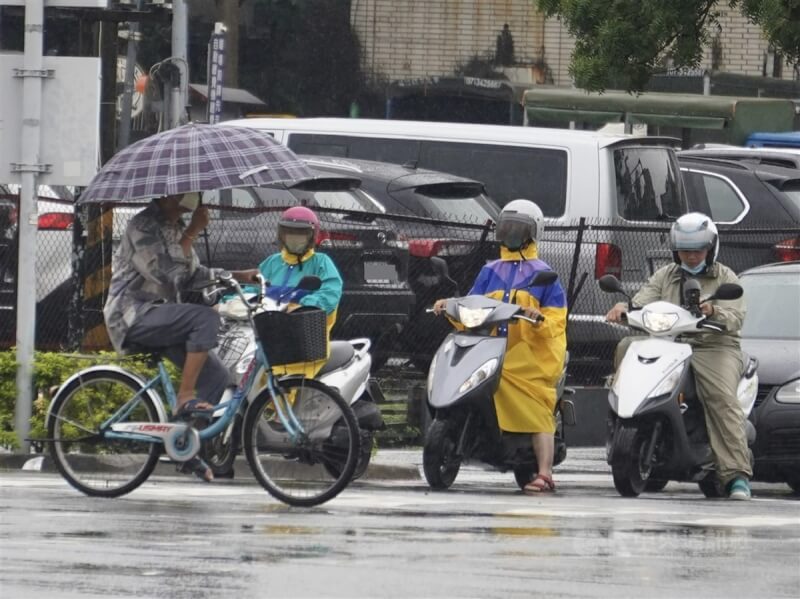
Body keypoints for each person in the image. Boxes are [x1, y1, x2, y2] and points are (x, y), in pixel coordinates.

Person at [104, 192, 255, 482]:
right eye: (188, 192)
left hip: (163, 316)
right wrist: (193, 231)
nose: (195, 197)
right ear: (169, 195)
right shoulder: (143, 225)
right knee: (205, 318)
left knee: (216, 375)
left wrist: (237, 276)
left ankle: (185, 448)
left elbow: (192, 274)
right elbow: (164, 273)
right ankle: (184, 397)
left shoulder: (174, 226)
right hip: (133, 315)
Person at [605, 212, 752, 500]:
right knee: (627, 346)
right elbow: (642, 300)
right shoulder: (665, 275)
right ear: (676, 250)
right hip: (669, 342)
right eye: (686, 250)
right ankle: (627, 416)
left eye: (698, 250)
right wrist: (624, 307)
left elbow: (735, 316)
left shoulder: (725, 277)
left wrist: (714, 311)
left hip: (712, 346)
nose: (692, 256)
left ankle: (736, 474)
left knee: (721, 398)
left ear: (710, 249)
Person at [433, 199, 568, 494]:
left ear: (533, 233)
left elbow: (557, 320)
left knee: (535, 399)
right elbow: (472, 303)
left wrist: (538, 317)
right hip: (494, 347)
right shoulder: (489, 271)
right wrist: (450, 306)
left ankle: (545, 473)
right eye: (506, 228)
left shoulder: (545, 274)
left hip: (532, 353)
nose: (511, 235)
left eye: (518, 229)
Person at [235, 205, 343, 378]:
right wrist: (230, 301)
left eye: (301, 233)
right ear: (281, 234)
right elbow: (252, 289)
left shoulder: (322, 262)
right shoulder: (272, 262)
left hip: (304, 339)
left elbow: (331, 293)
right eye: (290, 232)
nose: (295, 237)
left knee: (289, 384)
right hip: (267, 333)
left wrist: (301, 306)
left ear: (312, 236)